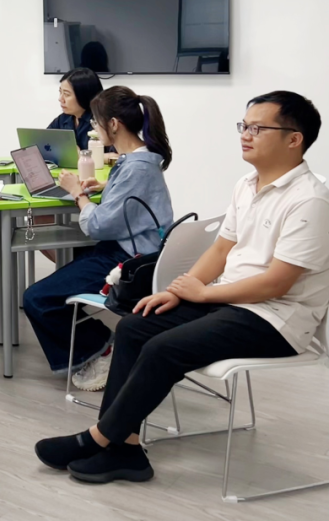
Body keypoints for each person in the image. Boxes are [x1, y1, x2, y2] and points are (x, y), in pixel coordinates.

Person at [35, 91, 329, 485]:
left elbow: (278, 282)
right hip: (231, 301)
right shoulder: (247, 185)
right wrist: (177, 291)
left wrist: (204, 294)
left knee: (164, 348)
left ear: (294, 139)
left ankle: (98, 438)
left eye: (258, 128)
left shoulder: (310, 200)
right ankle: (127, 450)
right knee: (134, 326)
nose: (246, 135)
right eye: (244, 126)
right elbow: (221, 249)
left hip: (277, 318)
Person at [23, 86, 174, 392]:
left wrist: (78, 194)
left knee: (36, 299)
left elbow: (97, 225)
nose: (94, 127)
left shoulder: (136, 169)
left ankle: (103, 350)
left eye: (96, 121)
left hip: (129, 260)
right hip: (135, 249)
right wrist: (106, 186)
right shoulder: (140, 160)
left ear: (114, 124)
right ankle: (96, 345)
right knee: (62, 275)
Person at [48, 67, 104, 150]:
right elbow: (44, 142)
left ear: (83, 95)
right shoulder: (63, 119)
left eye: (66, 94)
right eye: (60, 92)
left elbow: (118, 154)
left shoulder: (102, 122)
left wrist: (80, 154)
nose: (60, 99)